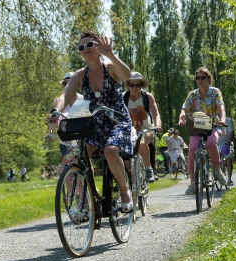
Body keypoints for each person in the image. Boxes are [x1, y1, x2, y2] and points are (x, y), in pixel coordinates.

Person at [47, 30, 133, 212]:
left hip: (117, 121)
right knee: (80, 155)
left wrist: (110, 54)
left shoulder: (110, 67)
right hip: (94, 124)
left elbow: (128, 77)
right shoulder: (79, 75)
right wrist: (56, 111)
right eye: (81, 47)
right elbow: (65, 95)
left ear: (98, 46)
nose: (85, 49)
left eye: (89, 45)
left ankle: (125, 192)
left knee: (110, 151)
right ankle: (91, 196)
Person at [179, 67, 227, 195]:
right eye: (197, 78)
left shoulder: (215, 92)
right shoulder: (193, 94)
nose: (200, 80)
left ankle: (217, 170)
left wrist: (222, 119)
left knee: (211, 143)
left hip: (213, 125)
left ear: (209, 79)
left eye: (203, 77)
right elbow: (184, 108)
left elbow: (221, 107)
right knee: (192, 149)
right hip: (197, 126)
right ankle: (193, 183)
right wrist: (182, 117)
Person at [123, 72, 162, 183]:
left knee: (141, 138)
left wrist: (158, 125)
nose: (134, 88)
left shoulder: (147, 97)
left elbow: (156, 114)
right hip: (129, 131)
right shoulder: (124, 97)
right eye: (132, 85)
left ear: (142, 86)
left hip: (146, 129)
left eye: (138, 85)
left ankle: (149, 169)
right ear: (128, 85)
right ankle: (125, 175)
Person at [48, 72, 84, 167]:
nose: (67, 86)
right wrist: (50, 133)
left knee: (81, 163)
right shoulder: (59, 101)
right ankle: (66, 180)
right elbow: (55, 119)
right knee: (66, 160)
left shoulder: (82, 99)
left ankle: (87, 181)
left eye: (70, 83)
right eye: (65, 83)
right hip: (65, 138)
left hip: (80, 137)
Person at [218, 117, 235, 186]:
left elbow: (232, 132)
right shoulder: (213, 120)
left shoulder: (228, 120)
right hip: (217, 144)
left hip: (226, 143)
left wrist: (229, 141)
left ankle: (229, 179)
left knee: (228, 156)